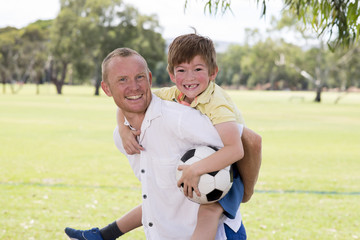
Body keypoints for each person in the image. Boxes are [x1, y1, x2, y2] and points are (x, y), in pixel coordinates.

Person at [65, 47, 261, 240]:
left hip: (220, 231)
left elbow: (251, 141)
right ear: (107, 88)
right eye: (122, 79)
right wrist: (123, 128)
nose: (134, 86)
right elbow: (157, 196)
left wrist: (246, 192)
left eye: (139, 77)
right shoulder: (123, 137)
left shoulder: (182, 117)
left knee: (209, 212)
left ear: (149, 79)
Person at [116, 33, 260, 239]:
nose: (190, 77)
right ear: (172, 75)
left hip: (227, 172)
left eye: (198, 69)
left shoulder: (216, 103)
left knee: (208, 213)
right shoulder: (172, 94)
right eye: (181, 70)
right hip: (201, 165)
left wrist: (195, 169)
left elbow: (235, 149)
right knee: (160, 202)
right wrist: (123, 129)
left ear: (213, 72)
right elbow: (133, 101)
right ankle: (105, 234)